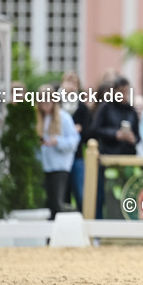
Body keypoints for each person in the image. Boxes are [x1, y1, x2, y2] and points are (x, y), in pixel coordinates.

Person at [89, 76, 140, 218]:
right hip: (108, 158)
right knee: (103, 195)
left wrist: (132, 138)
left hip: (127, 159)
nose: (124, 95)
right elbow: (95, 129)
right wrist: (115, 134)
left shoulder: (131, 110)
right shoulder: (105, 107)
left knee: (126, 196)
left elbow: (138, 135)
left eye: (126, 91)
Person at [35, 84, 80, 220]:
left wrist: (58, 142)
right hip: (43, 166)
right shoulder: (38, 119)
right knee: (45, 203)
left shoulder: (63, 118)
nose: (45, 104)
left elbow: (74, 140)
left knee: (56, 203)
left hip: (59, 166)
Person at [60, 71, 91, 210]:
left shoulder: (82, 108)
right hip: (59, 155)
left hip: (76, 155)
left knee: (80, 193)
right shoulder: (56, 105)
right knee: (61, 194)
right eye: (68, 82)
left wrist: (79, 130)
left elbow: (87, 133)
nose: (71, 86)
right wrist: (73, 129)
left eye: (74, 84)